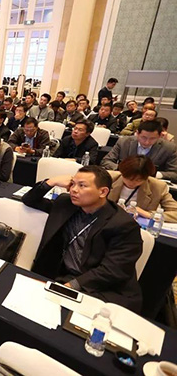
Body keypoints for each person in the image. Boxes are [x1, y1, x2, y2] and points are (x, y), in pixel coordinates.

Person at [22, 166, 142, 311]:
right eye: (73, 184)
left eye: (82, 186)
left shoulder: (123, 225)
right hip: (61, 276)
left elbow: (112, 271)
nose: (74, 190)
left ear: (103, 192)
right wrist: (51, 182)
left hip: (100, 289)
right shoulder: (65, 204)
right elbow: (30, 200)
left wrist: (70, 286)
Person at [102, 120, 177, 181]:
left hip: (151, 184)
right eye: (144, 137)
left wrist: (154, 174)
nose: (147, 142)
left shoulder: (169, 148)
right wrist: (123, 169)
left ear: (160, 136)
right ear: (137, 133)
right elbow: (106, 161)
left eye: (152, 138)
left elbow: (174, 173)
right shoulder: (124, 142)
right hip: (123, 180)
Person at [108, 156, 177, 222]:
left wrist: (150, 215)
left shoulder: (158, 187)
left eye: (138, 180)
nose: (131, 183)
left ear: (146, 177)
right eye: (127, 178)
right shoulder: (108, 178)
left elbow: (175, 212)